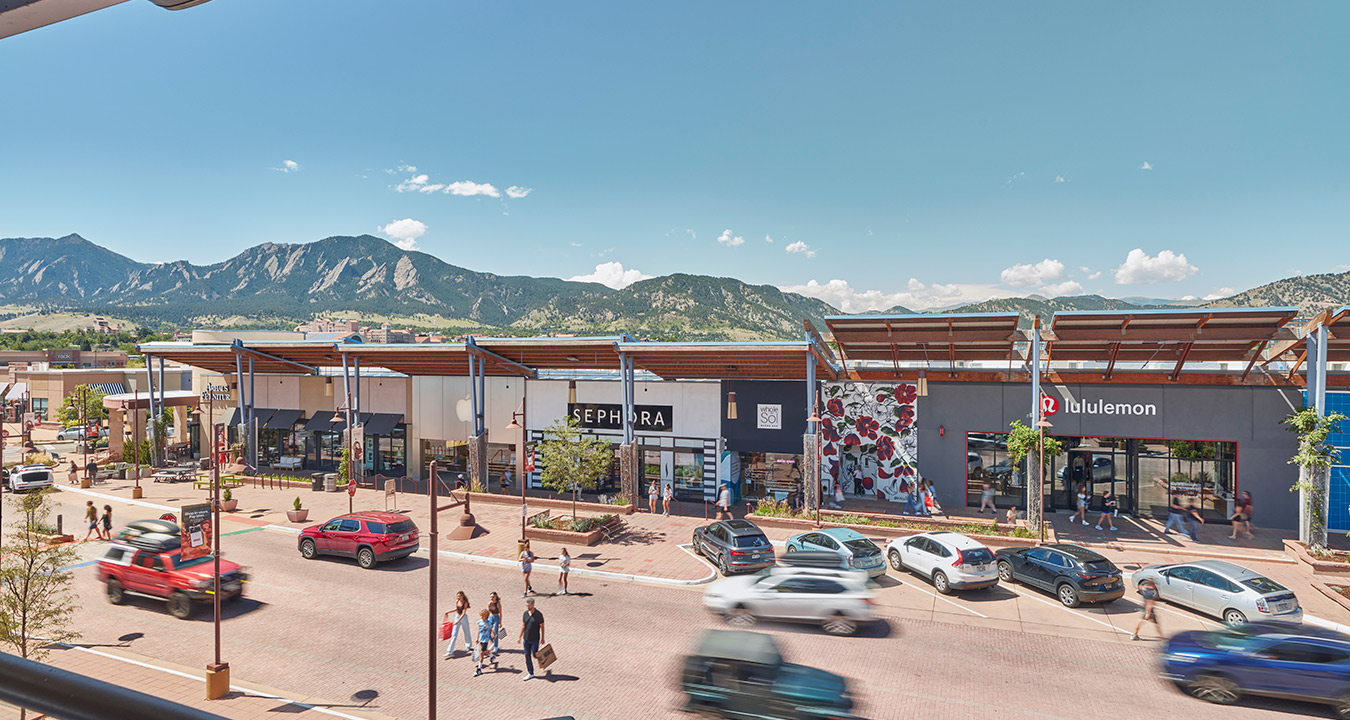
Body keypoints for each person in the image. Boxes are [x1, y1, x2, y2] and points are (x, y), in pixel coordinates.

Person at [519, 597, 545, 681]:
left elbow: (542, 626)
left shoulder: (538, 615)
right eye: (527, 605)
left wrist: (543, 638)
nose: (528, 607)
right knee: (527, 655)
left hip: (535, 639)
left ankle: (544, 659)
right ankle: (531, 673)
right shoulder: (525, 614)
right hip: (526, 639)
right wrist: (520, 636)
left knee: (534, 654)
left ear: (533, 605)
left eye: (529, 605)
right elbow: (523, 625)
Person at [444, 591, 472, 658]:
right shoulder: (457, 601)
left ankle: (468, 646)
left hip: (463, 618)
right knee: (454, 634)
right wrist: (449, 612)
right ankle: (449, 651)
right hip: (457, 616)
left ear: (462, 596)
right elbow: (457, 609)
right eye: (457, 596)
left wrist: (457, 621)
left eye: (459, 596)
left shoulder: (465, 602)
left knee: (466, 632)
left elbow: (463, 612)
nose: (458, 597)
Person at [473, 608, 496, 676]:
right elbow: (479, 630)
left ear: (486, 616)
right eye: (481, 615)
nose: (481, 617)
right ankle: (492, 656)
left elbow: (491, 630)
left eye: (482, 615)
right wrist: (477, 638)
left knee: (481, 653)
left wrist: (493, 635)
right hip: (481, 639)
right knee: (486, 650)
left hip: (486, 640)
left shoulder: (488, 623)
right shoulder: (479, 622)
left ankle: (479, 669)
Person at [487, 592, 503, 661]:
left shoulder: (498, 604)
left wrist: (500, 622)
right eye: (490, 597)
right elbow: (488, 611)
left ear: (495, 597)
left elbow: (500, 613)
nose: (491, 598)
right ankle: (493, 643)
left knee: (495, 632)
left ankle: (496, 646)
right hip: (491, 617)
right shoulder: (489, 603)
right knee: (488, 631)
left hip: (496, 617)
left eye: (493, 597)